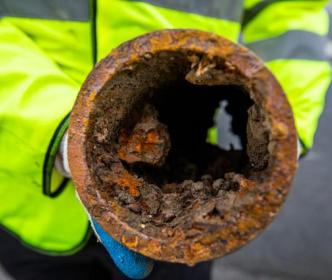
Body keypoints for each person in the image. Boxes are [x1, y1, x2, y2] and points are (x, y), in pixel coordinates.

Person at [0, 0, 330, 279]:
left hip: (188, 199)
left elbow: (292, 14)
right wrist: (56, 129)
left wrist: (286, 120)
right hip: (32, 196)